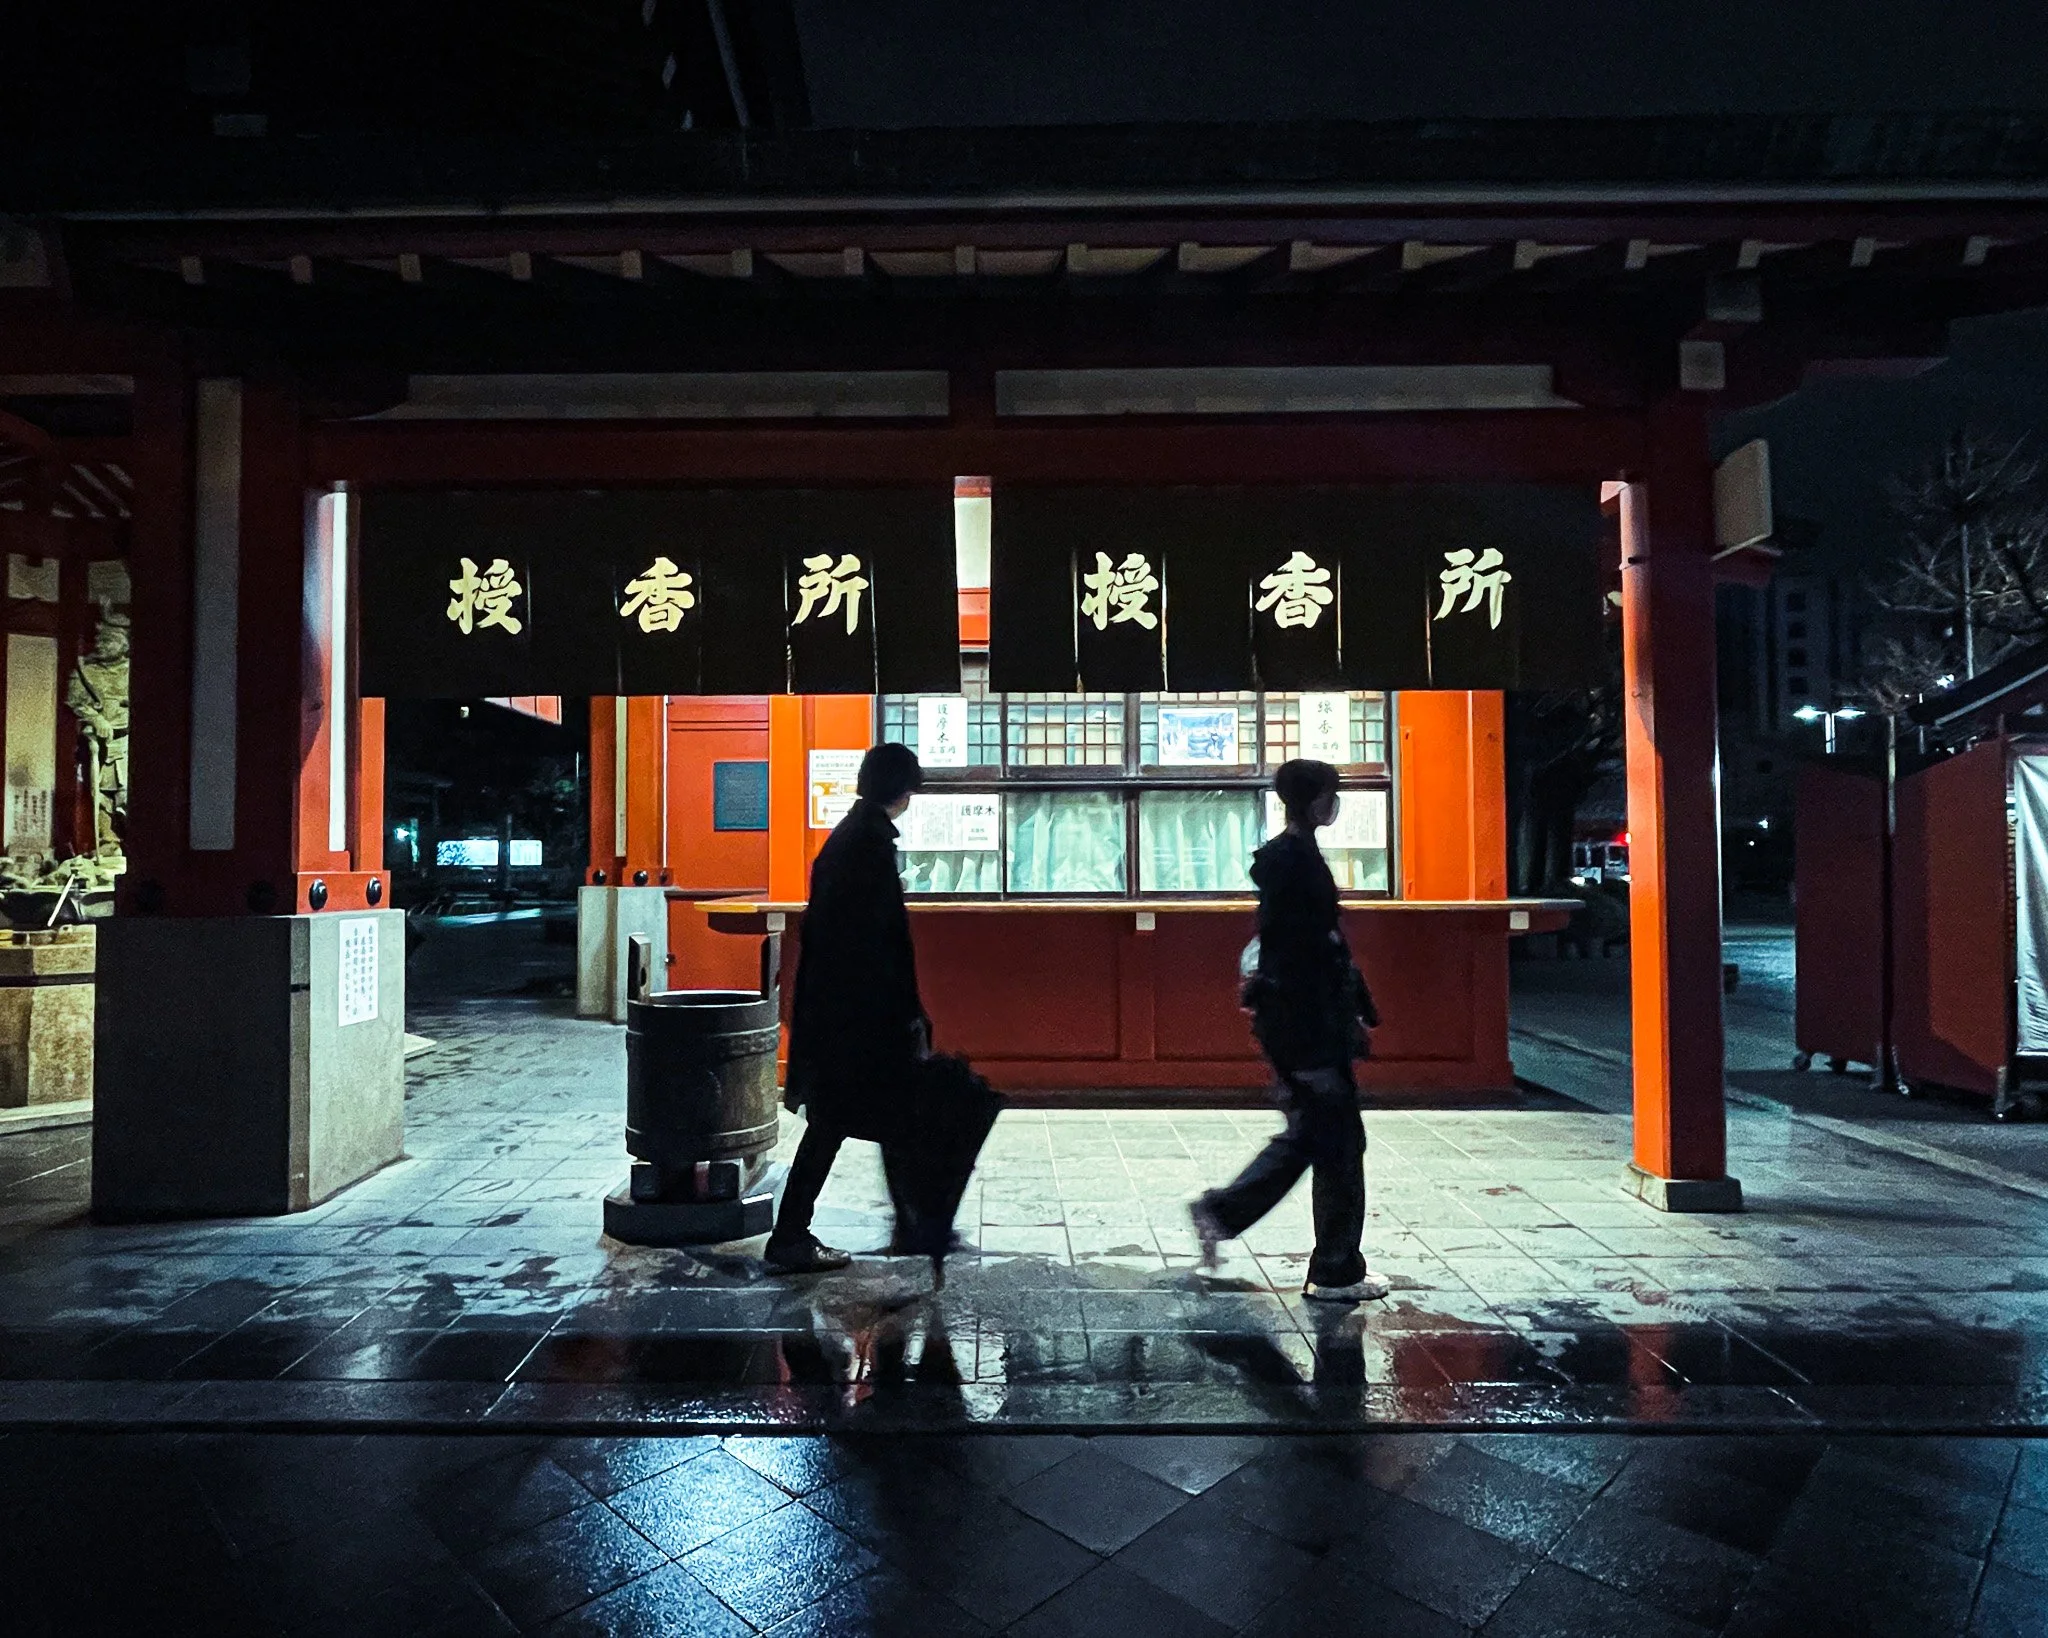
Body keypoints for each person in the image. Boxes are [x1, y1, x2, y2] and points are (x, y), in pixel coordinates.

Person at [1191, 759, 1389, 1303]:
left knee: (1319, 1134)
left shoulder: (1292, 859)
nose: (1337, 802)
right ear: (1313, 800)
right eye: (1332, 793)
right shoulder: (1293, 863)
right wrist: (1334, 1022)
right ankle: (1333, 1270)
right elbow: (1304, 952)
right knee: (1337, 1139)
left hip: (1304, 1022)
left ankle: (1231, 1215)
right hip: (1306, 1026)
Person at [764, 742, 928, 1274]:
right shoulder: (870, 845)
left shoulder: (847, 839)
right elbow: (884, 941)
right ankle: (790, 1236)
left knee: (870, 1118)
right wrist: (907, 1010)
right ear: (902, 789)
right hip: (860, 1016)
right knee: (848, 1121)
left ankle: (913, 1223)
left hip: (839, 1011)